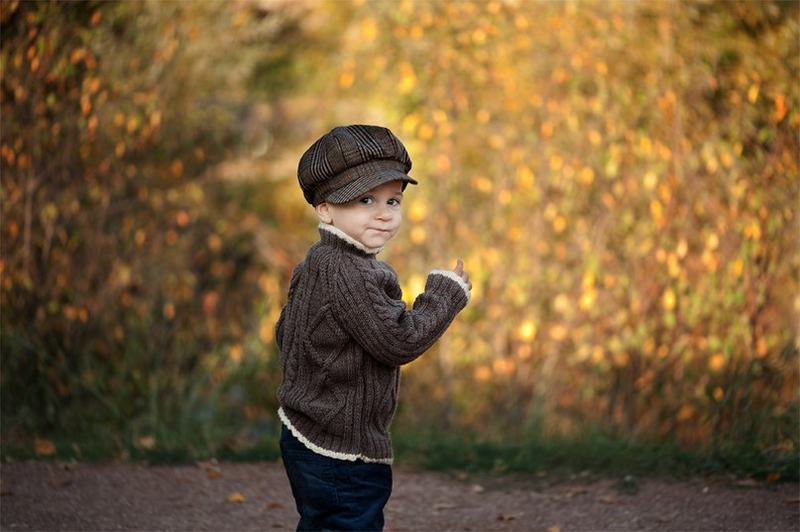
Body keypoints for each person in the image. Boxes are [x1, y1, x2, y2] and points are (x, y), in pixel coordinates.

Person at [275, 124, 472, 531]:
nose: (384, 213)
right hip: (341, 448)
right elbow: (399, 342)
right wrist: (445, 294)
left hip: (304, 433)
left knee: (321, 523)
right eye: (365, 200)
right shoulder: (353, 273)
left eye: (393, 200)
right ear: (325, 207)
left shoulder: (316, 261)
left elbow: (285, 333)